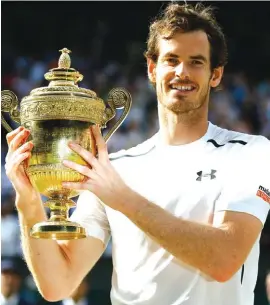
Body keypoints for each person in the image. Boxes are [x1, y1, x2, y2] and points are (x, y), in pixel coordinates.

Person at [4, 3, 270, 305]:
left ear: (216, 75)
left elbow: (225, 259)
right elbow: (57, 284)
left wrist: (123, 199)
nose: (182, 71)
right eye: (171, 60)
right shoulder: (113, 170)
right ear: (152, 69)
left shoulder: (251, 152)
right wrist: (27, 201)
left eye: (196, 62)